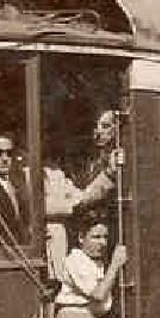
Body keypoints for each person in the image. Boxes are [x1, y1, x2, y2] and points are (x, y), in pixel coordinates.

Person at [44, 108, 122, 277]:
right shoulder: (90, 161)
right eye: (97, 126)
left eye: (106, 126)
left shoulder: (116, 160)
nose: (98, 131)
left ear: (117, 130)